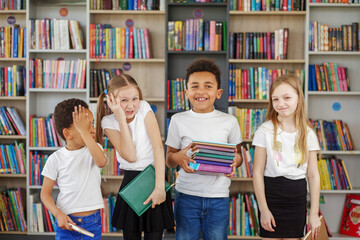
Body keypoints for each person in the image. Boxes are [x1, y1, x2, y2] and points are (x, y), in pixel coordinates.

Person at [165, 58, 243, 240]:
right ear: (186, 92)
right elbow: (169, 159)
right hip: (186, 196)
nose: (201, 91)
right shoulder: (178, 120)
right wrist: (178, 158)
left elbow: (237, 155)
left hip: (218, 197)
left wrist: (235, 162)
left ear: (218, 92)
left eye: (208, 86)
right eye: (194, 86)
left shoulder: (229, 121)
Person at [96, 74, 174, 240]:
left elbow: (158, 148)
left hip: (154, 177)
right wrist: (121, 118)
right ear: (112, 100)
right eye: (124, 100)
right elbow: (130, 156)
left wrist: (160, 188)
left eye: (135, 98)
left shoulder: (144, 108)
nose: (131, 105)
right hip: (132, 182)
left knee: (155, 235)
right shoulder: (108, 122)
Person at [252, 74, 321, 240]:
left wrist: (313, 214)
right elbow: (257, 172)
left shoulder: (308, 133)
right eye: (275, 99)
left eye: (287, 97)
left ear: (299, 97)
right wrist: (263, 210)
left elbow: (313, 175)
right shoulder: (265, 130)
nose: (280, 103)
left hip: (296, 198)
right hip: (271, 197)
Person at [41, 98, 108, 240]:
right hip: (66, 222)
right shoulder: (56, 159)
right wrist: (58, 214)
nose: (92, 130)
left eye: (92, 124)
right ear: (67, 134)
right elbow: (45, 194)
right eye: (85, 127)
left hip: (92, 222)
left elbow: (101, 162)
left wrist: (84, 133)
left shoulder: (94, 150)